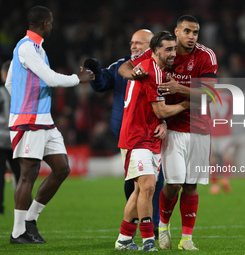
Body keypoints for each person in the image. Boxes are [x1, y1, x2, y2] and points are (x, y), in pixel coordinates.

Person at [118, 15, 218, 250]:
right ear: (177, 31)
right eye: (187, 31)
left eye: (195, 33)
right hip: (170, 127)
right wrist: (136, 75)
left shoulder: (206, 56)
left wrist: (178, 88)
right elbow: (126, 65)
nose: (191, 37)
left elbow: (210, 94)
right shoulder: (164, 52)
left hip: (199, 128)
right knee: (171, 184)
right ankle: (162, 228)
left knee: (191, 185)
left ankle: (186, 239)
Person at [5, 6, 94, 244]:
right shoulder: (26, 47)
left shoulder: (32, 48)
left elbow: (10, 84)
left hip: (43, 120)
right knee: (28, 174)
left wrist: (26, 99)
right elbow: (51, 78)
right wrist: (78, 79)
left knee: (62, 168)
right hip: (30, 121)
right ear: (45, 24)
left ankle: (30, 219)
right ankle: (17, 233)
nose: (52, 27)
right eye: (51, 23)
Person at [84, 29, 165, 238]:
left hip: (153, 132)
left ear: (151, 46)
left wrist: (164, 122)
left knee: (153, 181)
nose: (133, 46)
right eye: (131, 43)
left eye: (138, 43)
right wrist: (95, 71)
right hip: (128, 135)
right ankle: (134, 227)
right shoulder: (122, 65)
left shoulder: (159, 68)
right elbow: (101, 83)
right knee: (136, 184)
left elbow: (165, 100)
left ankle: (150, 226)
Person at [115, 31, 190, 252]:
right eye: (168, 49)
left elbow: (157, 112)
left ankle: (123, 239)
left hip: (150, 135)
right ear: (156, 51)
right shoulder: (150, 70)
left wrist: (163, 123)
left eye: (174, 49)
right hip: (137, 136)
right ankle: (149, 240)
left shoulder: (157, 71)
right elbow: (161, 109)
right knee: (148, 186)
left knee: (140, 191)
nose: (173, 53)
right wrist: (186, 105)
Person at [0, 60, 21, 215]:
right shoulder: (20, 91)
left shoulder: (1, 92)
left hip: (1, 139)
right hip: (16, 138)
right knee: (22, 175)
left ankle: (0, 207)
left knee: (1, 176)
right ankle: (25, 204)